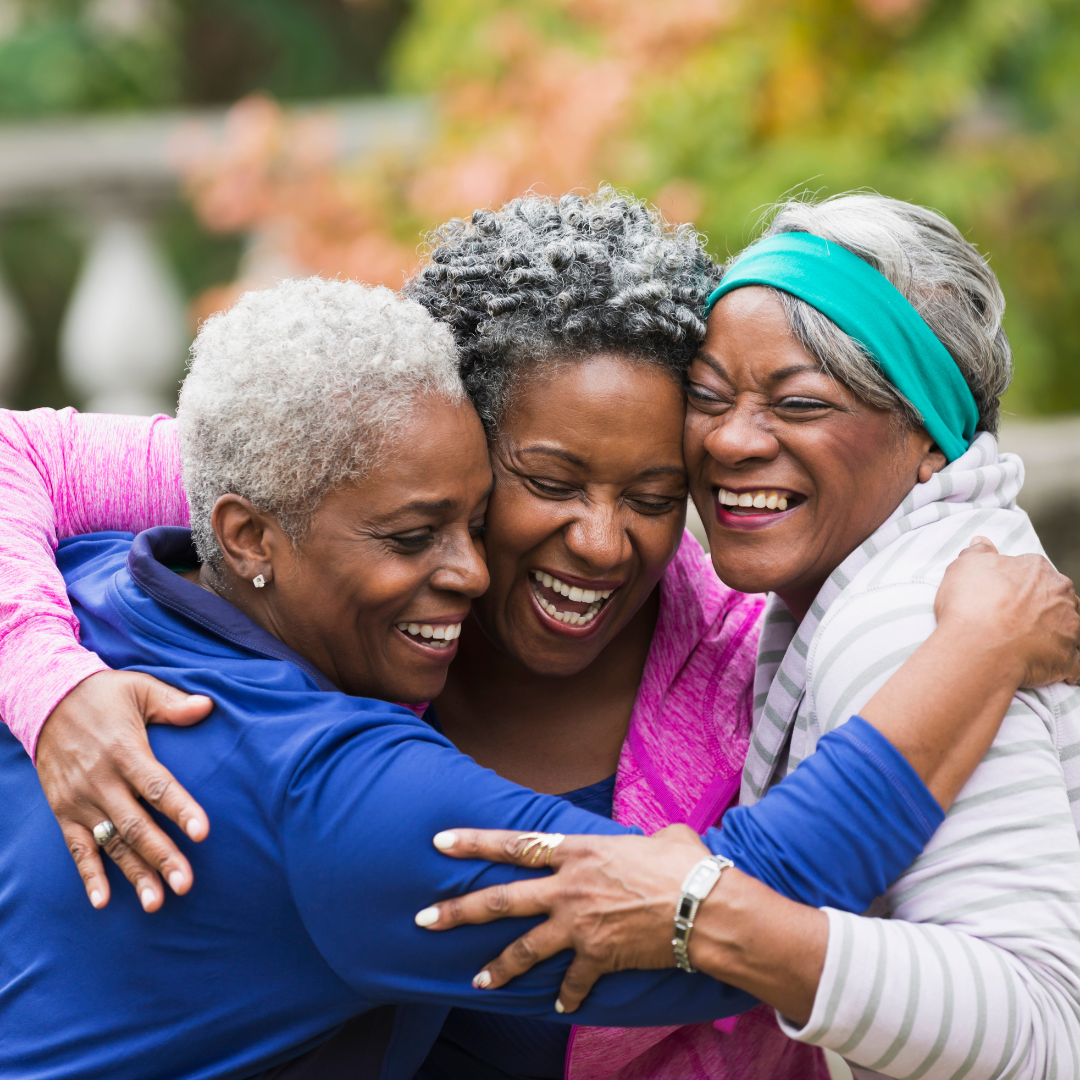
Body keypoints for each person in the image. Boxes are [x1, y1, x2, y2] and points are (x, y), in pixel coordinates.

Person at [0, 191, 1078, 1080]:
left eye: (656, 493)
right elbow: (751, 905)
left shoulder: (119, 582)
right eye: (546, 482)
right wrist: (47, 685)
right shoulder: (325, 743)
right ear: (454, 435)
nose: (601, 543)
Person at [412, 194, 1080, 1080]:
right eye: (710, 397)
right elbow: (228, 468)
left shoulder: (914, 623)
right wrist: (161, 633)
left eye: (798, 403)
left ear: (932, 436)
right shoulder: (348, 590)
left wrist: (695, 911)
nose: (730, 440)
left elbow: (1042, 1027)